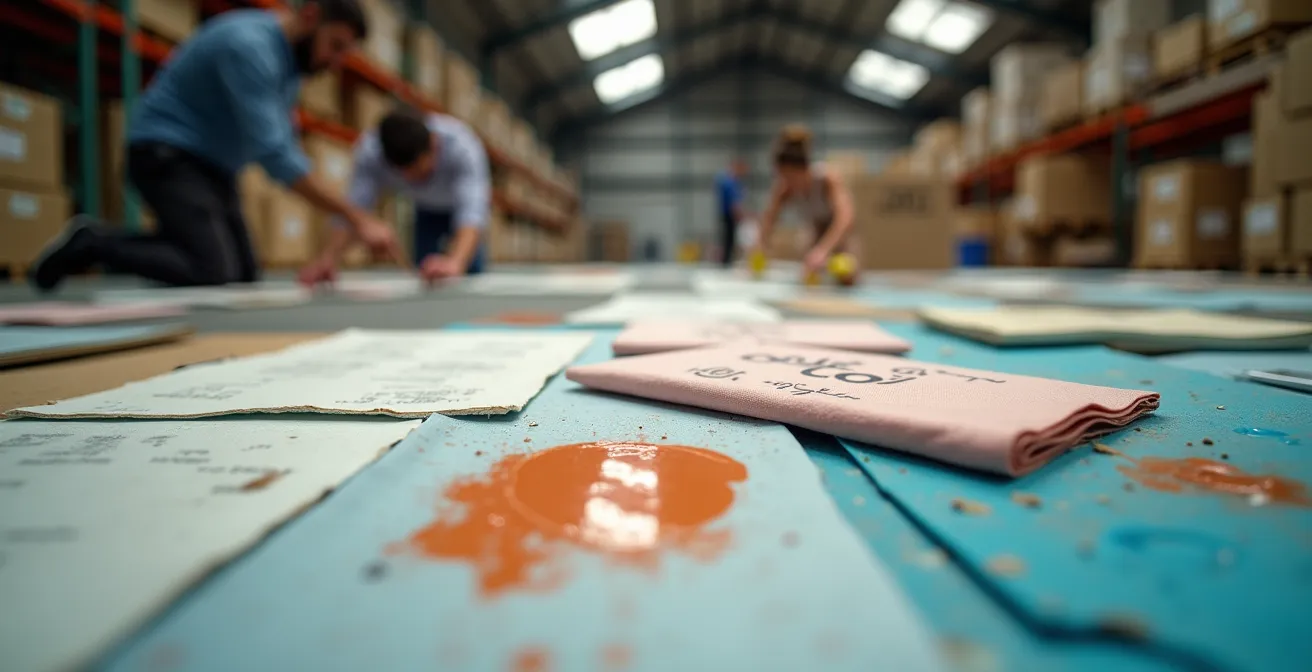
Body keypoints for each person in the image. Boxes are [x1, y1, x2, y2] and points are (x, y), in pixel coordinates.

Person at [31, 0, 403, 291]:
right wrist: (359, 218)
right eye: (334, 46)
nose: (335, 62)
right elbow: (277, 156)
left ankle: (177, 243)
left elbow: (284, 143)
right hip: (165, 155)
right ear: (309, 17)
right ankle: (91, 243)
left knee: (242, 274)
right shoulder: (249, 47)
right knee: (212, 269)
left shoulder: (289, 67)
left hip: (213, 169)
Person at [298, 107, 490, 286]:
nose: (412, 180)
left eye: (419, 171)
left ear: (434, 144)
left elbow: (472, 212)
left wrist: (456, 262)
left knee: (468, 269)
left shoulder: (463, 147)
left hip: (457, 208)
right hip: (424, 210)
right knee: (426, 272)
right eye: (403, 173)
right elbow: (354, 209)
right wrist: (328, 258)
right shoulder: (370, 153)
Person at [753, 125, 858, 281]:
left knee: (847, 275)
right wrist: (761, 247)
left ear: (803, 170)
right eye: (783, 177)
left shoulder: (827, 179)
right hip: (815, 229)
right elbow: (769, 218)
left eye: (791, 177)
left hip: (839, 233)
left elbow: (846, 218)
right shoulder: (785, 188)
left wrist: (823, 250)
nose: (788, 182)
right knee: (809, 272)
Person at [715, 158, 749, 267]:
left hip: (729, 215)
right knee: (729, 240)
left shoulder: (732, 182)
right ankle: (726, 262)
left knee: (729, 240)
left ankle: (727, 261)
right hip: (729, 216)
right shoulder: (729, 182)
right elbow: (734, 204)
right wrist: (740, 216)